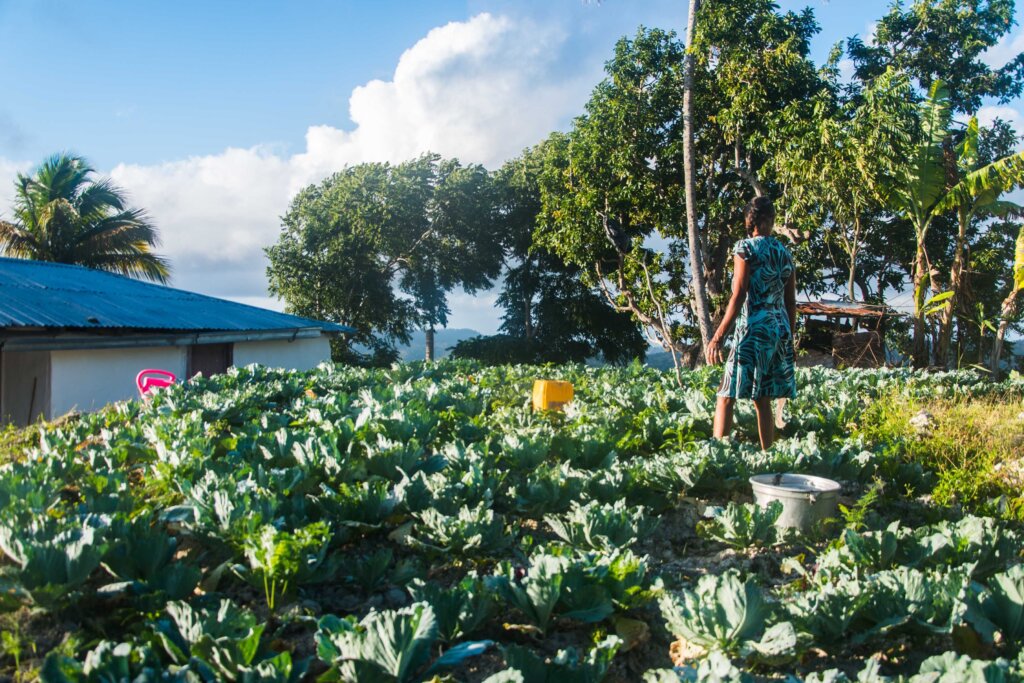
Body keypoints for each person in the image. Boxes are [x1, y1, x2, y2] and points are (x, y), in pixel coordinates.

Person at [705, 196, 797, 450]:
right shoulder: (785, 252)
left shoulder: (745, 248)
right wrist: (789, 338)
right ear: (771, 220)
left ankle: (718, 453)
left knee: (725, 394)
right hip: (779, 328)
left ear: (749, 221)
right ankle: (768, 455)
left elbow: (739, 294)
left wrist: (718, 336)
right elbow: (791, 302)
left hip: (753, 329)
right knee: (762, 396)